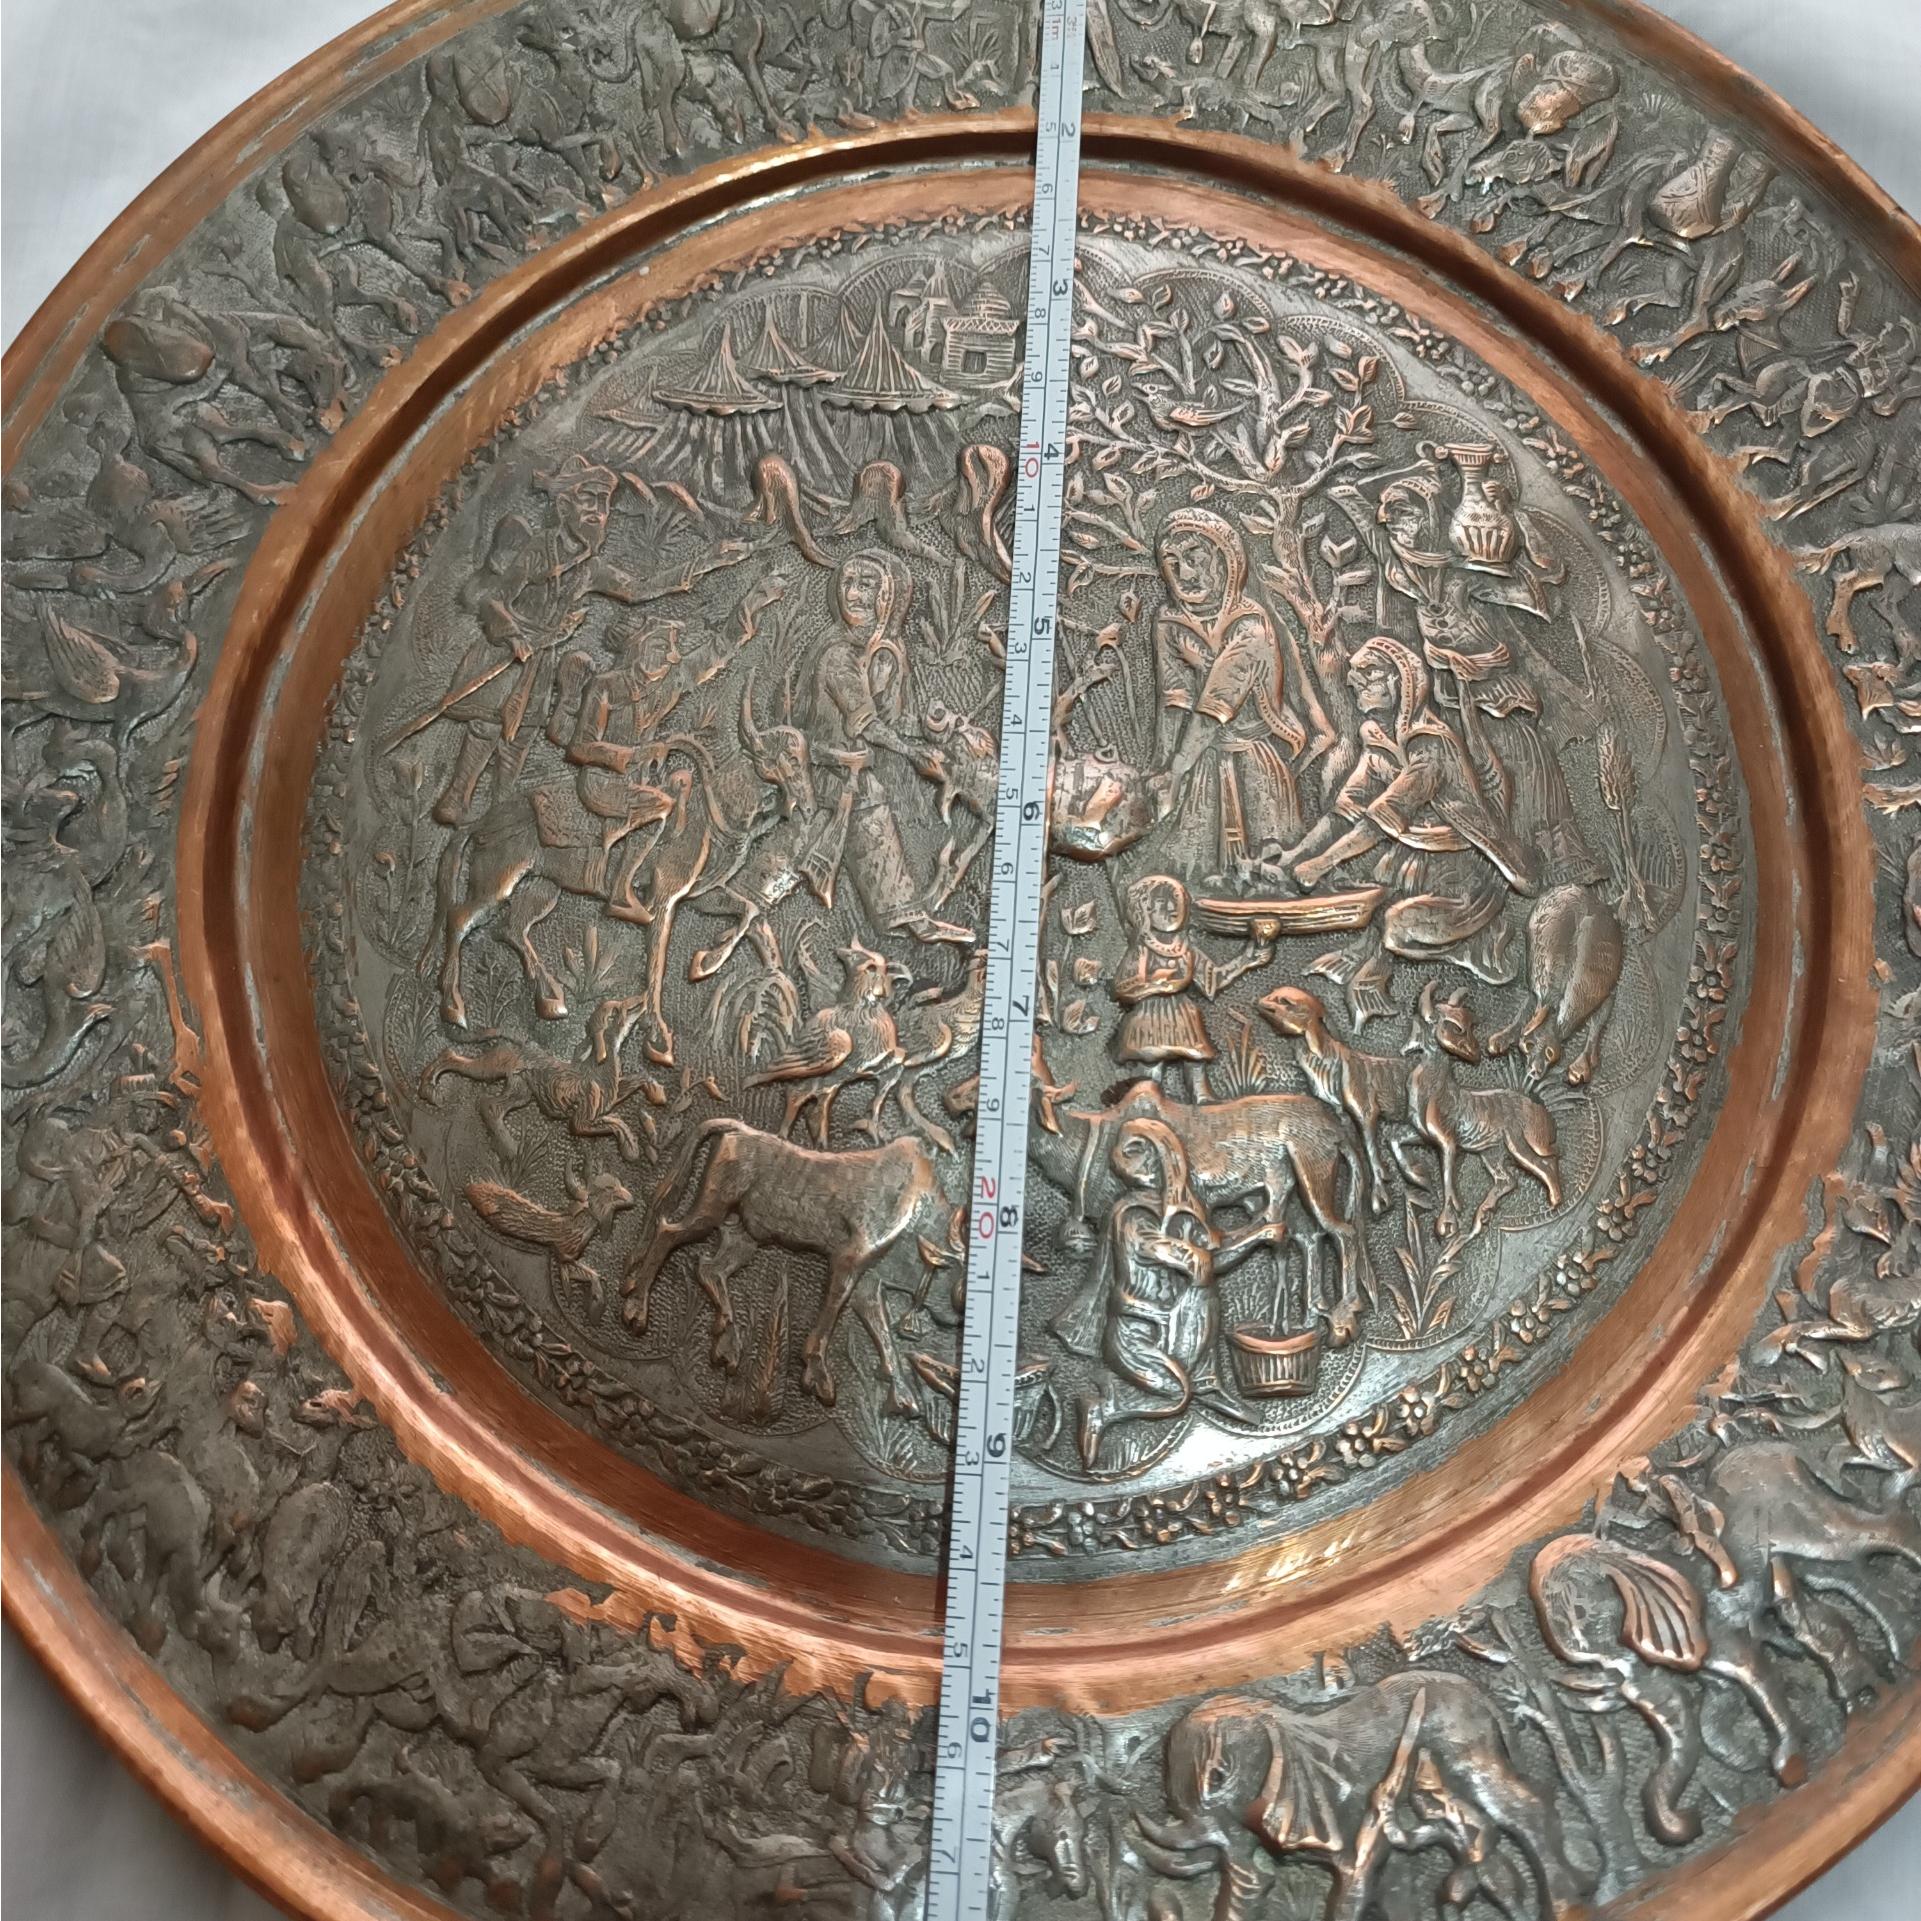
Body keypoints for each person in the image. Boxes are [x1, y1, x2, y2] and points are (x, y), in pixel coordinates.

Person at [1285, 635, 1536, 983]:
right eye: (1355, 673)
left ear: (1400, 681)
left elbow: (1379, 822)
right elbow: (1346, 810)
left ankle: (1472, 951)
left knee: (1395, 927)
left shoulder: (1431, 743)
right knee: (1365, 908)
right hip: (1405, 859)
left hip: (1457, 874)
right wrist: (1295, 856)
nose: (1354, 682)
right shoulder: (1377, 736)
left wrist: (1322, 863)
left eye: (1369, 673)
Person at [803, 549, 971, 947]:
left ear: (888, 597)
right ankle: (907, 921)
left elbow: (890, 718)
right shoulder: (838, 656)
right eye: (848, 583)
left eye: (867, 585)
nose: (854, 595)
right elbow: (866, 723)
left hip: (856, 774)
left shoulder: (877, 652)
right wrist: (911, 752)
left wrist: (933, 730)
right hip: (834, 777)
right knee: (871, 815)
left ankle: (908, 918)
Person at [1150, 507, 1318, 881]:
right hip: (1199, 763)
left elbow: (1216, 705)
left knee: (1269, 871)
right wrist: (1161, 769)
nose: (1184, 575)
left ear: (1226, 561)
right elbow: (1175, 699)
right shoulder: (1169, 621)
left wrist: (1175, 770)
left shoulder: (1251, 625)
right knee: (1192, 868)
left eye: (1194, 558)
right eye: (1172, 563)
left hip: (1251, 759)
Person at [1111, 873, 1271, 1101]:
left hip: (1183, 1017)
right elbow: (1122, 987)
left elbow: (1213, 979)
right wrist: (1157, 984)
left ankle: (1201, 1097)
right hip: (1149, 1018)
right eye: (1161, 902)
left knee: (1195, 1058)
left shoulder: (1186, 950)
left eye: (1176, 901)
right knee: (1151, 1060)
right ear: (1145, 910)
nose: (1171, 908)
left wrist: (1247, 960)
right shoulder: (1142, 949)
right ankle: (1145, 1098)